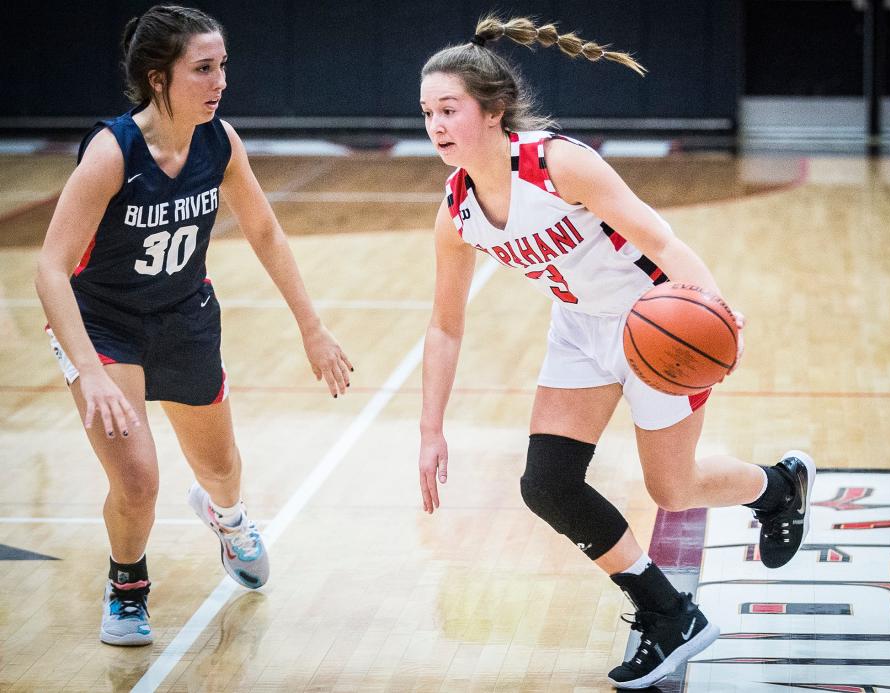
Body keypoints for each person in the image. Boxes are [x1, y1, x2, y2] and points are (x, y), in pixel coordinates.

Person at [416, 15, 815, 689]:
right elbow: (444, 326)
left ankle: (776, 488)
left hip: (656, 319)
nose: (436, 125)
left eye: (449, 109)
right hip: (579, 328)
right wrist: (430, 429)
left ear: (493, 111)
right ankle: (666, 611)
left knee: (673, 486)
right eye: (427, 112)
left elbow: (660, 240)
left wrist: (713, 307)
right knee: (546, 483)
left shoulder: (557, 163)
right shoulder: (456, 210)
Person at [35, 5, 353, 646]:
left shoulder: (218, 140)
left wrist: (312, 329)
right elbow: (49, 268)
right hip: (106, 325)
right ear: (159, 78)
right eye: (203, 69)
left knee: (221, 466)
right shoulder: (112, 152)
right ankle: (127, 587)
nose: (220, 81)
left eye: (223, 66)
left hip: (185, 318)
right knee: (137, 477)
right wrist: (90, 371)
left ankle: (227, 517)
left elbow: (263, 229)